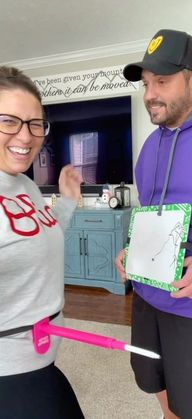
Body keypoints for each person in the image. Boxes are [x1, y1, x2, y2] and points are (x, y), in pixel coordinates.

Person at [116, 29, 192, 419]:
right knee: (156, 384)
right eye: (147, 83)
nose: (150, 93)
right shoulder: (151, 145)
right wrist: (132, 249)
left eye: (162, 81)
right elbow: (153, 217)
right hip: (149, 300)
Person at [0, 66, 85, 419]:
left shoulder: (24, 184)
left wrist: (66, 201)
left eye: (36, 123)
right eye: (9, 121)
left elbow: (41, 243)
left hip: (42, 355)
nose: (27, 135)